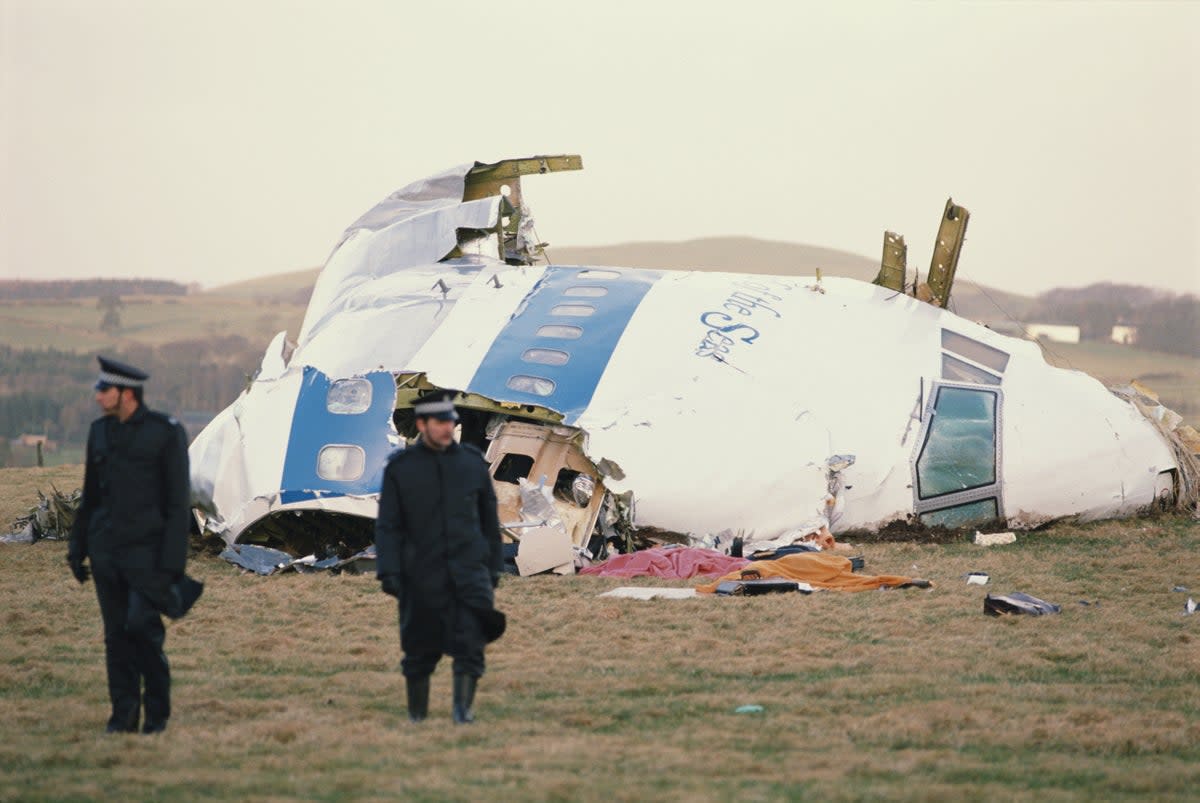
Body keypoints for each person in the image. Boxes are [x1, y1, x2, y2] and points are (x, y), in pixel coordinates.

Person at [68, 356, 194, 735]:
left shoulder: (165, 432)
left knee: (142, 628)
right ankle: (122, 717)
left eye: (103, 390)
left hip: (149, 555)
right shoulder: (99, 433)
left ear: (126, 394)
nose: (97, 397)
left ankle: (157, 714)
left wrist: (173, 565)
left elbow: (177, 505)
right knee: (116, 637)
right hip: (107, 552)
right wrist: (77, 548)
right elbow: (90, 496)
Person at [375, 390, 505, 724]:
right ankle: (417, 715)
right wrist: (389, 572)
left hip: (469, 571)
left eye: (451, 422)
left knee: (471, 644)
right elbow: (389, 525)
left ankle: (463, 712)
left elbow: (490, 521)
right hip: (420, 573)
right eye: (440, 422)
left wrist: (492, 568)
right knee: (420, 648)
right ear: (422, 424)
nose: (449, 428)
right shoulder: (401, 469)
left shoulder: (472, 464)